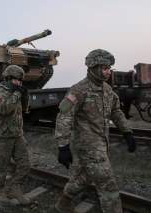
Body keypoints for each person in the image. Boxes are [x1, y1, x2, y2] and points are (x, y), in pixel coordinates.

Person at [54, 49, 136, 213]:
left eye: (109, 68)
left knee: (84, 178)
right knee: (108, 184)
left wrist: (127, 132)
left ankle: (63, 203)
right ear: (94, 67)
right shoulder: (79, 90)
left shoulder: (107, 90)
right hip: (87, 146)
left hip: (102, 143)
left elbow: (116, 112)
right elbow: (64, 117)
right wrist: (63, 146)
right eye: (105, 68)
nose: (108, 72)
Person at [0, 64, 31, 205]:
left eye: (21, 81)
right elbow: (4, 109)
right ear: (8, 78)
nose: (19, 83)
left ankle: (14, 187)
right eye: (16, 80)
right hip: (2, 136)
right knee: (1, 167)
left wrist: (25, 95)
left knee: (25, 165)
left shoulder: (16, 92)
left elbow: (24, 110)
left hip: (17, 135)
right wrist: (17, 94)